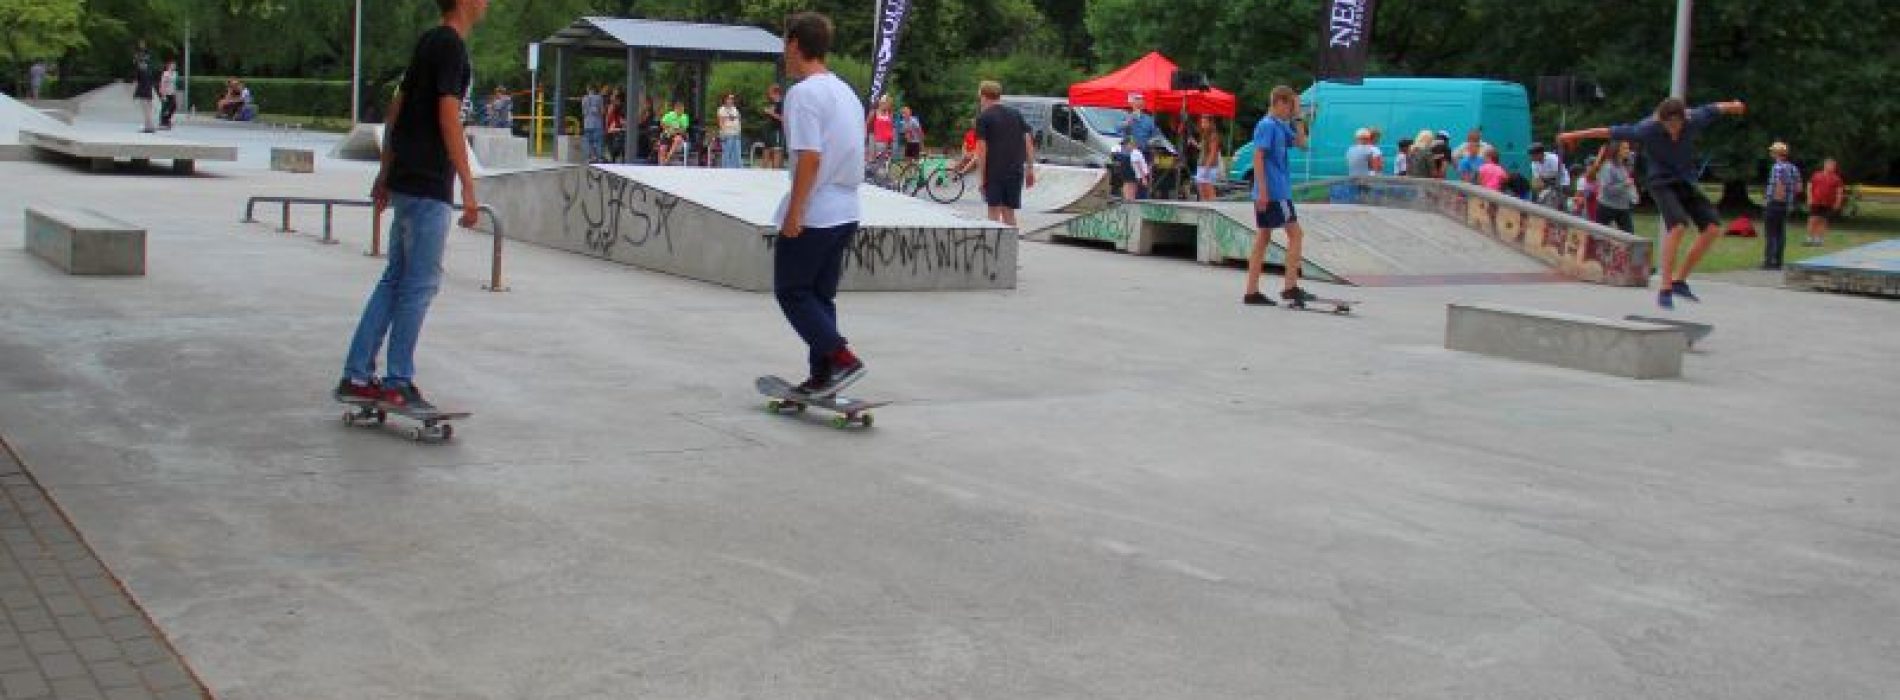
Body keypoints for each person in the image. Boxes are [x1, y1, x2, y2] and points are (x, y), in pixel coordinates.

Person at [335, 0, 486, 412]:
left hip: (406, 181)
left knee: (395, 279)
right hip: (428, 186)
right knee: (419, 285)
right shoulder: (451, 46)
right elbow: (448, 117)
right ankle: (398, 380)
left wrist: (385, 174)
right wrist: (468, 187)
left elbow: (395, 110)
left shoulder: (427, 43)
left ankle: (356, 375)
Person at [1561, 97, 1747, 309]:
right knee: (1677, 226)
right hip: (1661, 182)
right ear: (1661, 120)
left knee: (1713, 228)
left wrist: (1734, 106)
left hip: (1685, 181)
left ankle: (1679, 281)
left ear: (1684, 118)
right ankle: (1665, 287)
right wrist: (1573, 135)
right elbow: (1608, 132)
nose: (1674, 131)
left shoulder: (1694, 118)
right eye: (1669, 126)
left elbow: (1716, 108)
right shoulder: (1646, 129)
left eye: (1678, 126)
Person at [772, 11, 866, 397]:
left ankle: (841, 357)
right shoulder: (846, 92)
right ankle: (824, 374)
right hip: (848, 210)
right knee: (819, 296)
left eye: (785, 46)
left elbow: (809, 157)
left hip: (818, 211)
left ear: (795, 44)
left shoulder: (803, 94)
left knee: (792, 291)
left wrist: (795, 212)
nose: (785, 55)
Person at [1242, 85, 1314, 308]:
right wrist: (1263, 191)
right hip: (1275, 192)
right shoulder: (1267, 126)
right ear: (1280, 103)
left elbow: (1302, 144)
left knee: (1263, 239)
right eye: (1291, 106)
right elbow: (1258, 157)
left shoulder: (1280, 126)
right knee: (1296, 235)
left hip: (1276, 190)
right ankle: (1290, 286)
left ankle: (1251, 291)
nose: (1292, 111)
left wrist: (1300, 119)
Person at [973, 80, 1036, 228]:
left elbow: (981, 149)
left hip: (994, 172)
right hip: (1015, 171)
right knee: (1009, 212)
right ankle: (1011, 249)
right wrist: (1030, 169)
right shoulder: (1016, 114)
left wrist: (981, 178)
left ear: (983, 96)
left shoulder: (983, 118)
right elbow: (1028, 141)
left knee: (993, 212)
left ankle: (994, 249)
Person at [1762, 141, 1800, 269]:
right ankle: (1778, 261)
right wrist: (1789, 200)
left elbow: (1779, 184)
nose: (1771, 153)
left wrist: (1773, 200)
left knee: (1771, 233)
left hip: (1775, 203)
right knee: (1780, 233)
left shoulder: (1777, 167)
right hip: (1786, 205)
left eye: (1772, 151)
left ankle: (1769, 261)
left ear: (1777, 153)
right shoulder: (1793, 168)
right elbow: (1798, 187)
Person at [1590, 142, 1638, 233]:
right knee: (1599, 235)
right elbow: (1607, 190)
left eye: (1628, 148)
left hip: (1623, 207)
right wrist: (1624, 184)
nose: (1628, 151)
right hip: (1607, 206)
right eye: (1624, 148)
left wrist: (1633, 195)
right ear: (1617, 150)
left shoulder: (1623, 167)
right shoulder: (1608, 167)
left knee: (1630, 236)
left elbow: (1627, 185)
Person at [1806, 158, 1845, 246]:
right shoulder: (1816, 175)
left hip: (1828, 203)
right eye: (1830, 165)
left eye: (1833, 166)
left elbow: (1839, 191)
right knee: (1813, 219)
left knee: (1823, 220)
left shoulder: (1837, 179)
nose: (1832, 167)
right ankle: (1809, 238)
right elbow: (1809, 186)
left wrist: (1838, 202)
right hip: (1816, 201)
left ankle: (1819, 239)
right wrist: (1809, 198)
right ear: (1825, 165)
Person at [1528, 143, 1571, 208]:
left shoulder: (1553, 158)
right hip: (1548, 182)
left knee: (1559, 204)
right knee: (1541, 199)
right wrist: (1539, 187)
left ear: (1540, 154)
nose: (1531, 157)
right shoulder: (1533, 163)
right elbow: (1538, 179)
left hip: (1562, 182)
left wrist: (1548, 184)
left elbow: (1558, 175)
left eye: (1533, 155)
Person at [1194, 115, 1221, 201]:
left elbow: (1213, 153)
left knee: (1209, 192)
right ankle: (1205, 210)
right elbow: (1201, 148)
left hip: (1208, 167)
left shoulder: (1213, 136)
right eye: (1202, 122)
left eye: (1205, 122)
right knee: (1202, 191)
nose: (1203, 124)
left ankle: (1212, 210)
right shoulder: (1204, 135)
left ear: (1210, 123)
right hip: (1202, 165)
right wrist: (1194, 143)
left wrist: (1206, 168)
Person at [132, 41, 157, 133]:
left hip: (144, 86)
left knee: (145, 107)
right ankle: (149, 125)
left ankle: (148, 126)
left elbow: (137, 78)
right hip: (148, 85)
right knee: (148, 106)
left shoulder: (140, 66)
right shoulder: (149, 66)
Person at [1116, 137, 1149, 201]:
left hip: (1142, 175)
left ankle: (1130, 200)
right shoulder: (1133, 153)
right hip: (1140, 175)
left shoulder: (1135, 153)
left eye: (1126, 145)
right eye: (1124, 146)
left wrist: (1143, 178)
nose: (1125, 147)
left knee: (1138, 191)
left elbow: (1139, 166)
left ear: (1130, 145)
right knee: (1131, 187)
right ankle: (1129, 199)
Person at [866, 95, 896, 163]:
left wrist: (891, 139)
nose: (889, 106)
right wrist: (866, 137)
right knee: (872, 160)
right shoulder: (874, 112)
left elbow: (891, 128)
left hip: (886, 140)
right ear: (882, 103)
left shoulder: (889, 114)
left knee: (882, 160)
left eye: (890, 104)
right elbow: (867, 125)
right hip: (874, 137)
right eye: (888, 103)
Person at [762, 83, 785, 169]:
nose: (769, 95)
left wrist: (771, 113)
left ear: (776, 93)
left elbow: (783, 119)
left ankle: (776, 172)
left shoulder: (782, 104)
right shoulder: (772, 103)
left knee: (777, 150)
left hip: (777, 130)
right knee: (766, 149)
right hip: (768, 130)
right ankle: (763, 172)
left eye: (770, 93)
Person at [717, 93, 743, 168]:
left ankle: (737, 169)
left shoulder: (735, 109)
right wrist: (723, 133)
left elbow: (739, 120)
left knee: (737, 153)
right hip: (727, 134)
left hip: (736, 134)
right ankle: (726, 169)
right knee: (727, 153)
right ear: (725, 100)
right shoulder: (721, 110)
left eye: (732, 99)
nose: (731, 100)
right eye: (729, 98)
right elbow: (720, 123)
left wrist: (739, 131)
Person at [580, 85, 605, 162]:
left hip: (587, 124)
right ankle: (599, 157)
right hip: (597, 123)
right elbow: (602, 111)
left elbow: (583, 112)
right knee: (598, 141)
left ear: (588, 90)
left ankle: (589, 157)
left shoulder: (584, 98)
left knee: (588, 141)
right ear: (594, 90)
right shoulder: (599, 98)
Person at [157, 60, 179, 130]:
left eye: (174, 66)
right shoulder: (165, 74)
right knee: (165, 107)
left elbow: (175, 83)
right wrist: (163, 94)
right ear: (169, 66)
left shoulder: (175, 73)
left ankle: (167, 119)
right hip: (166, 92)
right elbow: (162, 83)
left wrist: (175, 92)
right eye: (172, 65)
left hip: (172, 92)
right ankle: (162, 121)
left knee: (174, 106)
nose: (174, 67)